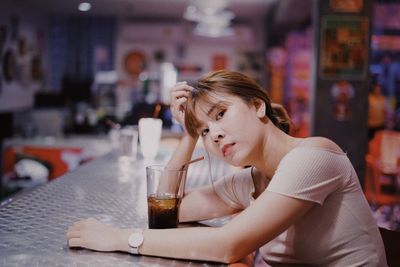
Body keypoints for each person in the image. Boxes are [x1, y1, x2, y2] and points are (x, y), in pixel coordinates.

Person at [66, 70, 386, 266]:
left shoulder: (314, 158)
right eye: (206, 131)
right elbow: (166, 208)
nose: (214, 134)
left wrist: (118, 239)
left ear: (257, 105)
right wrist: (190, 133)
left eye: (220, 115)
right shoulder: (249, 181)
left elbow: (228, 245)